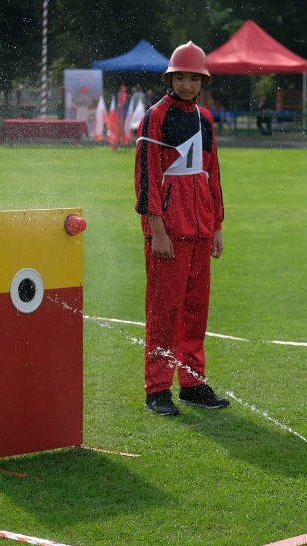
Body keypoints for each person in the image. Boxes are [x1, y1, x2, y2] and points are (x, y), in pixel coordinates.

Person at [134, 41, 229, 416]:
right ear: (169, 78)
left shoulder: (205, 118)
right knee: (163, 312)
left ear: (202, 81)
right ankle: (157, 389)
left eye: (194, 77)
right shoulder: (155, 117)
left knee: (195, 310)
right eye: (181, 77)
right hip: (168, 233)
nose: (188, 84)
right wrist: (156, 229)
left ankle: (192, 382)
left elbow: (212, 173)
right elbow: (146, 178)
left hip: (202, 229)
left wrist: (217, 225)